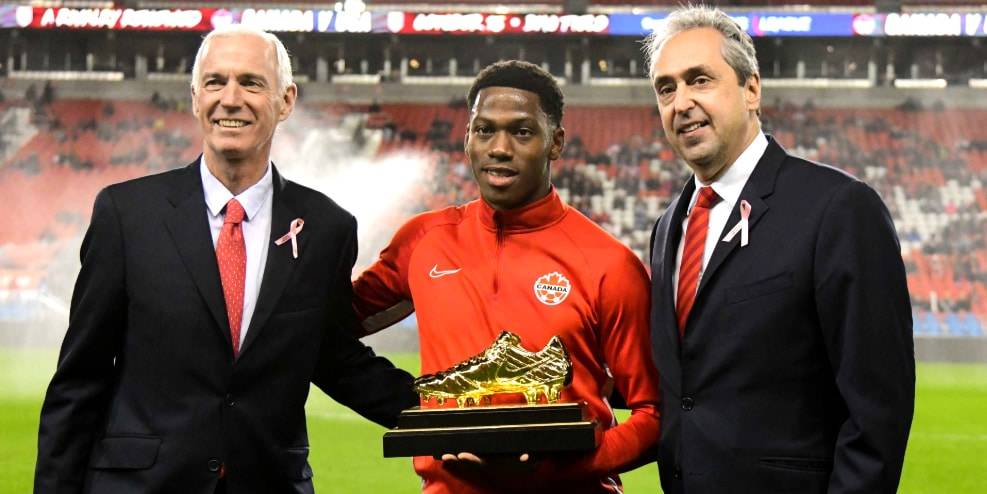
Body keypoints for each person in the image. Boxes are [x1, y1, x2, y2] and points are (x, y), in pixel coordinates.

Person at [35, 25, 418, 494]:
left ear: (286, 100)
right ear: (195, 98)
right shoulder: (126, 214)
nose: (230, 99)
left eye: (251, 83)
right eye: (215, 82)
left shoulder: (327, 228)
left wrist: (452, 416)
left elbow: (336, 360)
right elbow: (80, 378)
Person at [352, 60, 661, 493]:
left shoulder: (610, 264)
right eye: (484, 130)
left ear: (556, 143)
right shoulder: (422, 241)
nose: (499, 148)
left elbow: (655, 414)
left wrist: (561, 469)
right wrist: (410, 405)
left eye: (521, 132)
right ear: (467, 139)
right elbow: (322, 326)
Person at [643, 6, 914, 493]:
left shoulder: (838, 208)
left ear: (751, 89)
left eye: (699, 80)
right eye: (666, 88)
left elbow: (877, 412)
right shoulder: (667, 229)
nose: (681, 102)